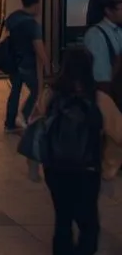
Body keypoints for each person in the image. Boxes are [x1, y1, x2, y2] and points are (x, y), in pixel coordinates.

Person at [30, 47, 122, 255]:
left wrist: (35, 166)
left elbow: (35, 128)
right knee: (89, 223)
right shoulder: (99, 100)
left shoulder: (51, 95)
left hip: (55, 169)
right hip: (87, 170)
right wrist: (109, 168)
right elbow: (119, 135)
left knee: (62, 219)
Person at [3, 0, 50, 131]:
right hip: (27, 63)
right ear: (35, 5)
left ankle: (9, 123)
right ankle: (23, 116)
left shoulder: (13, 17)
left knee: (15, 92)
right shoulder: (32, 24)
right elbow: (39, 48)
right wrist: (47, 65)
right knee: (36, 90)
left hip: (13, 61)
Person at [83, 0, 122, 91]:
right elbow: (101, 76)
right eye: (120, 8)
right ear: (108, 11)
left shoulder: (118, 31)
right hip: (109, 93)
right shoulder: (96, 35)